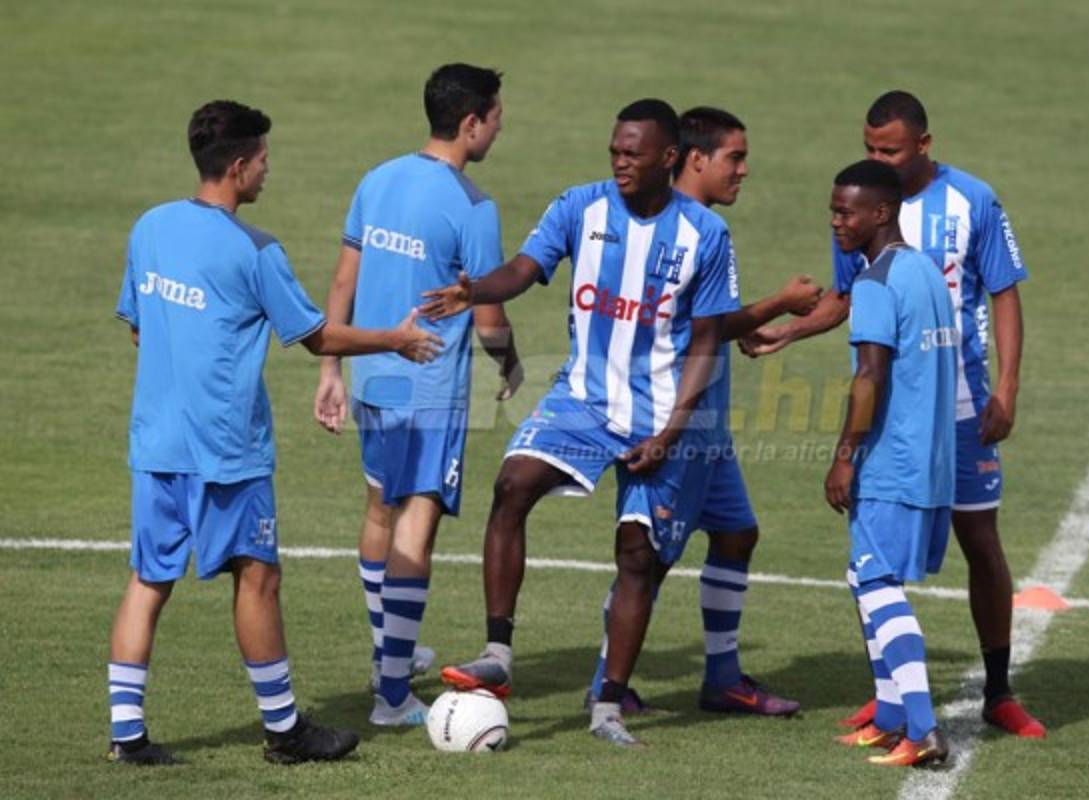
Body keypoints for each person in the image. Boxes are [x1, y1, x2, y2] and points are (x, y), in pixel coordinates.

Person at [423, 99, 771, 746]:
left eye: (632, 153)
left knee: (637, 554)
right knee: (511, 485)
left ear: (669, 159)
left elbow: (705, 344)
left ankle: (609, 704)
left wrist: (671, 431)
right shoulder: (580, 206)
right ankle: (498, 655)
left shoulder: (705, 236)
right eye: (614, 150)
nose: (619, 162)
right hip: (582, 401)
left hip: (660, 417)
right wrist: (478, 291)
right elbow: (525, 271)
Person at [108, 100, 443, 766]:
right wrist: (396, 340)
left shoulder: (150, 227)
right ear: (236, 167)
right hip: (226, 452)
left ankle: (127, 735)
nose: (268, 169)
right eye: (262, 159)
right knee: (258, 579)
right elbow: (315, 334)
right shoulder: (254, 250)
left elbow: (140, 323)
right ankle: (285, 731)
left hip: (156, 444)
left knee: (149, 580)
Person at [742, 90, 1043, 737]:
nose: (877, 156)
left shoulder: (972, 202)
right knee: (874, 559)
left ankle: (997, 690)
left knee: (975, 543)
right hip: (907, 408)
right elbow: (854, 297)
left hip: (962, 409)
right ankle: (890, 697)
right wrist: (789, 334)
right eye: (871, 146)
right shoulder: (865, 207)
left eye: (890, 149)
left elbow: (1004, 293)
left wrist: (1007, 389)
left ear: (924, 147)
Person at [582, 106, 818, 717]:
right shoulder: (682, 229)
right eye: (734, 158)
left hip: (706, 424)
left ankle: (722, 677)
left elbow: (707, 320)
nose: (744, 170)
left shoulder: (702, 228)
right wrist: (782, 304)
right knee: (646, 553)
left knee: (736, 533)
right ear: (694, 159)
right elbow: (705, 326)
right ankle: (608, 686)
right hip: (673, 422)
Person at [312, 63, 522, 729]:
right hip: (429, 387)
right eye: (495, 117)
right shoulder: (472, 208)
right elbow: (487, 315)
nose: (498, 127)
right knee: (417, 522)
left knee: (380, 511)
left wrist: (330, 371)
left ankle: (389, 653)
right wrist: (512, 366)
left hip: (374, 373)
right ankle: (393, 695)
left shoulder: (377, 179)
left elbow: (344, 279)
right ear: (470, 122)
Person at [824, 159, 955, 767]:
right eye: (834, 209)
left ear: (881, 212)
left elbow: (869, 376)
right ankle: (890, 715)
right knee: (864, 575)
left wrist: (844, 457)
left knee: (877, 584)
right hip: (932, 459)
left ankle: (923, 728)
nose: (837, 221)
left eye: (847, 211)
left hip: (891, 461)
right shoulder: (927, 271)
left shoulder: (875, 282)